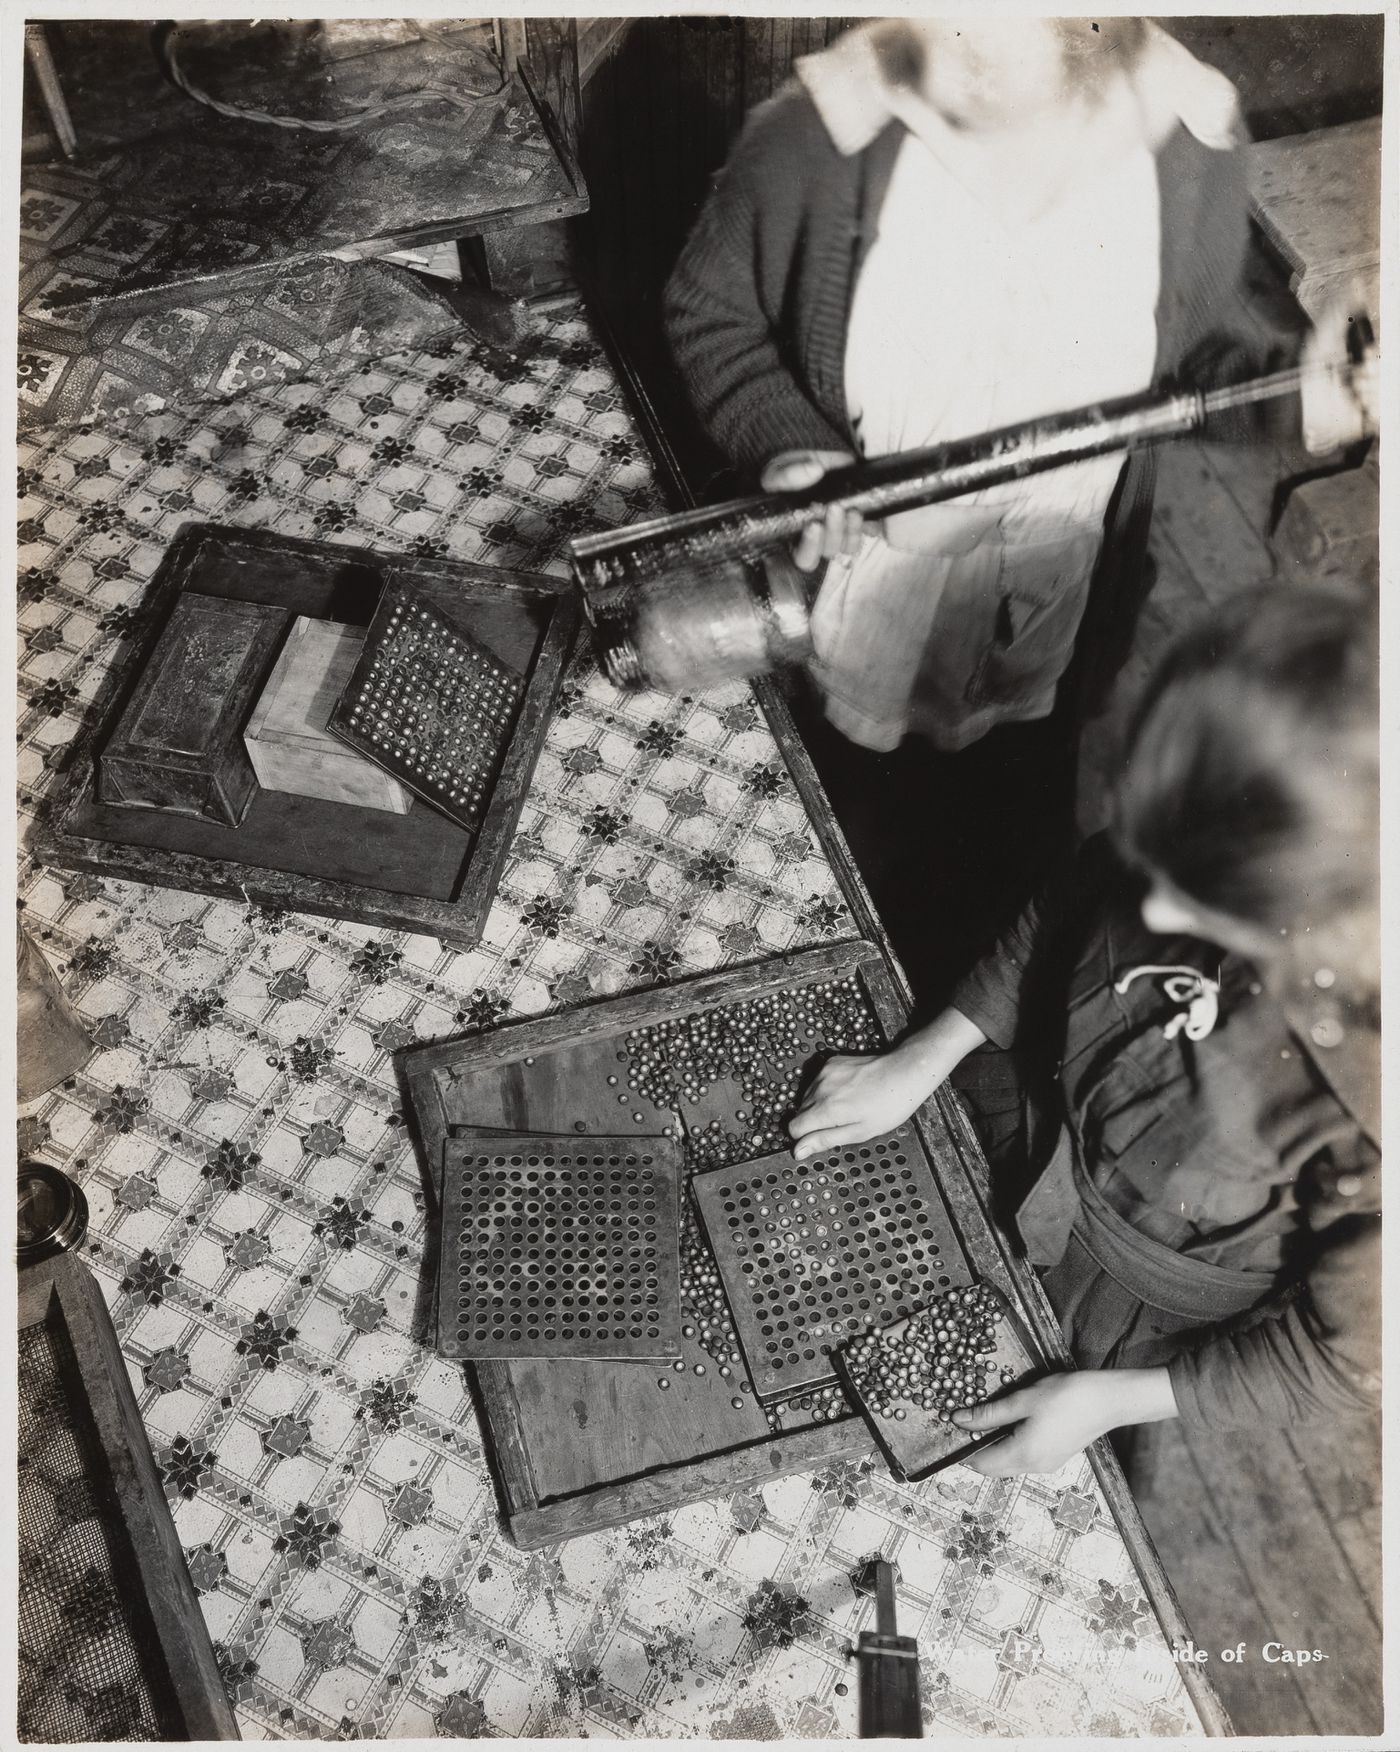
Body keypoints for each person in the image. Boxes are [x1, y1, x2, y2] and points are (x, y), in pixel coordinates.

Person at [665, 18, 1375, 991]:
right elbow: (714, 321)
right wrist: (798, 456)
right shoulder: (811, 141)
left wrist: (1306, 395)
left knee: (1014, 839)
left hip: (1054, 610)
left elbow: (1189, 358)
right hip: (856, 611)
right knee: (852, 846)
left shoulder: (1182, 133)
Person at [787, 583, 1379, 1474]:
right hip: (1022, 1118)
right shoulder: (1227, 815)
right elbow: (1069, 902)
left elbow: (1350, 1360)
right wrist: (927, 1052)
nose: (1154, 902)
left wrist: (1113, 1400)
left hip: (1135, 1317)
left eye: (1201, 900)